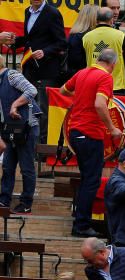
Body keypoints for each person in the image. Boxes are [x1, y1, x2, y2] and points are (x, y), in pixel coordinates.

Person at [60, 49, 122, 238]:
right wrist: (112, 129)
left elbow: (63, 90)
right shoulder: (105, 77)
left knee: (87, 179)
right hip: (90, 133)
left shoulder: (82, 73)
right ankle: (81, 225)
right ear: (112, 64)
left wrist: (81, 100)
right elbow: (99, 104)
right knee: (91, 181)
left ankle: (80, 222)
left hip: (75, 133)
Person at [0, 0, 66, 142]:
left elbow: (61, 43)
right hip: (30, 68)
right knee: (28, 106)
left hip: (47, 70)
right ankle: (28, 141)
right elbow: (31, 39)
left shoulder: (52, 13)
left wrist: (45, 51)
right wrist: (14, 41)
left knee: (42, 109)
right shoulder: (27, 11)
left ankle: (40, 146)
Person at [0, 65, 39, 215]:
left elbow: (32, 90)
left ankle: (26, 203)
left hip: (27, 126)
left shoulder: (11, 75)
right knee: (8, 166)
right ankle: (4, 199)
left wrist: (15, 105)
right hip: (10, 128)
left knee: (26, 167)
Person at [83, 7, 125, 94]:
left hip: (92, 84)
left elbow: (82, 62)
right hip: (116, 86)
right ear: (111, 20)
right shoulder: (121, 36)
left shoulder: (86, 37)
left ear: (96, 20)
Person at [66, 5, 99, 78]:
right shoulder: (86, 36)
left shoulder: (74, 35)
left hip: (75, 76)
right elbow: (77, 61)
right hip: (83, 77)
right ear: (93, 18)